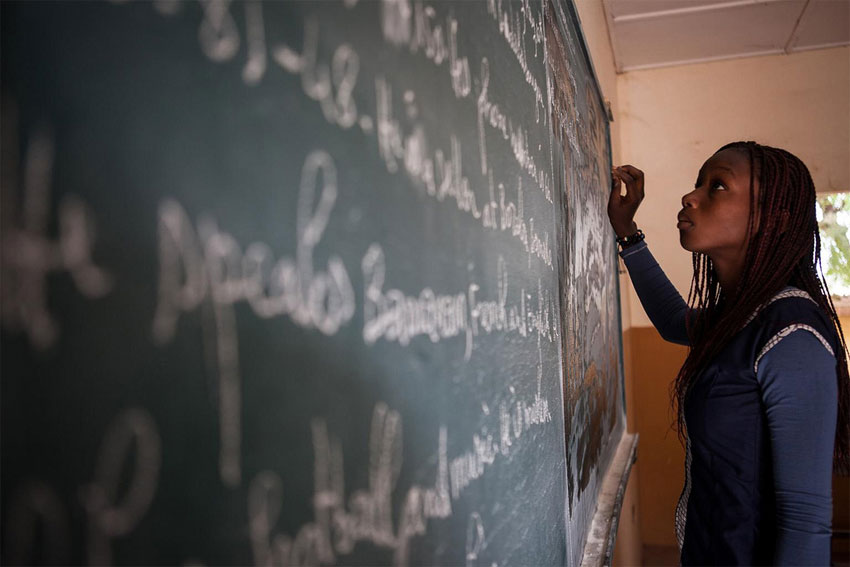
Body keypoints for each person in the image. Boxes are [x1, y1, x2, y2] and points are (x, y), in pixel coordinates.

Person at [608, 141, 849, 565]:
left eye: (717, 186)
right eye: (698, 182)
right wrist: (627, 231)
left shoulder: (792, 333)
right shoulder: (741, 318)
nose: (690, 196)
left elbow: (805, 521)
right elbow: (673, 321)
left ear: (772, 219)